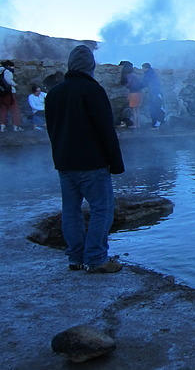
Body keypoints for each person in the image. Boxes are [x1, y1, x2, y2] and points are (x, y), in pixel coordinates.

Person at [45, 45, 125, 273]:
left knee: (71, 210)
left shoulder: (55, 93)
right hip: (92, 163)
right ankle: (97, 258)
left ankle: (75, 259)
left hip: (65, 163)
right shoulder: (92, 90)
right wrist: (116, 164)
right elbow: (105, 130)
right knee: (102, 209)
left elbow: (52, 130)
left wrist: (58, 156)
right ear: (91, 65)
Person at [0, 60, 24, 132]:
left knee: (3, 109)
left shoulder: (1, 72)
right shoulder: (7, 71)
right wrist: (15, 84)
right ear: (9, 65)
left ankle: (2, 126)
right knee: (15, 109)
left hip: (2, 93)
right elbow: (9, 81)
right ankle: (16, 126)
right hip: (10, 92)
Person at [142, 62, 165, 128]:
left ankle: (156, 123)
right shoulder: (152, 73)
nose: (142, 69)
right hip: (156, 93)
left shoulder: (148, 74)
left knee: (155, 108)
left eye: (143, 68)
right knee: (158, 108)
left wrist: (137, 86)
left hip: (155, 93)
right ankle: (157, 122)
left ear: (146, 68)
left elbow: (144, 83)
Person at [120, 61, 143, 128]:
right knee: (138, 110)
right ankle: (138, 124)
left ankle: (135, 125)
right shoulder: (135, 75)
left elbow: (129, 84)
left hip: (133, 93)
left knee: (134, 110)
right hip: (139, 93)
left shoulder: (129, 75)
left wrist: (126, 86)